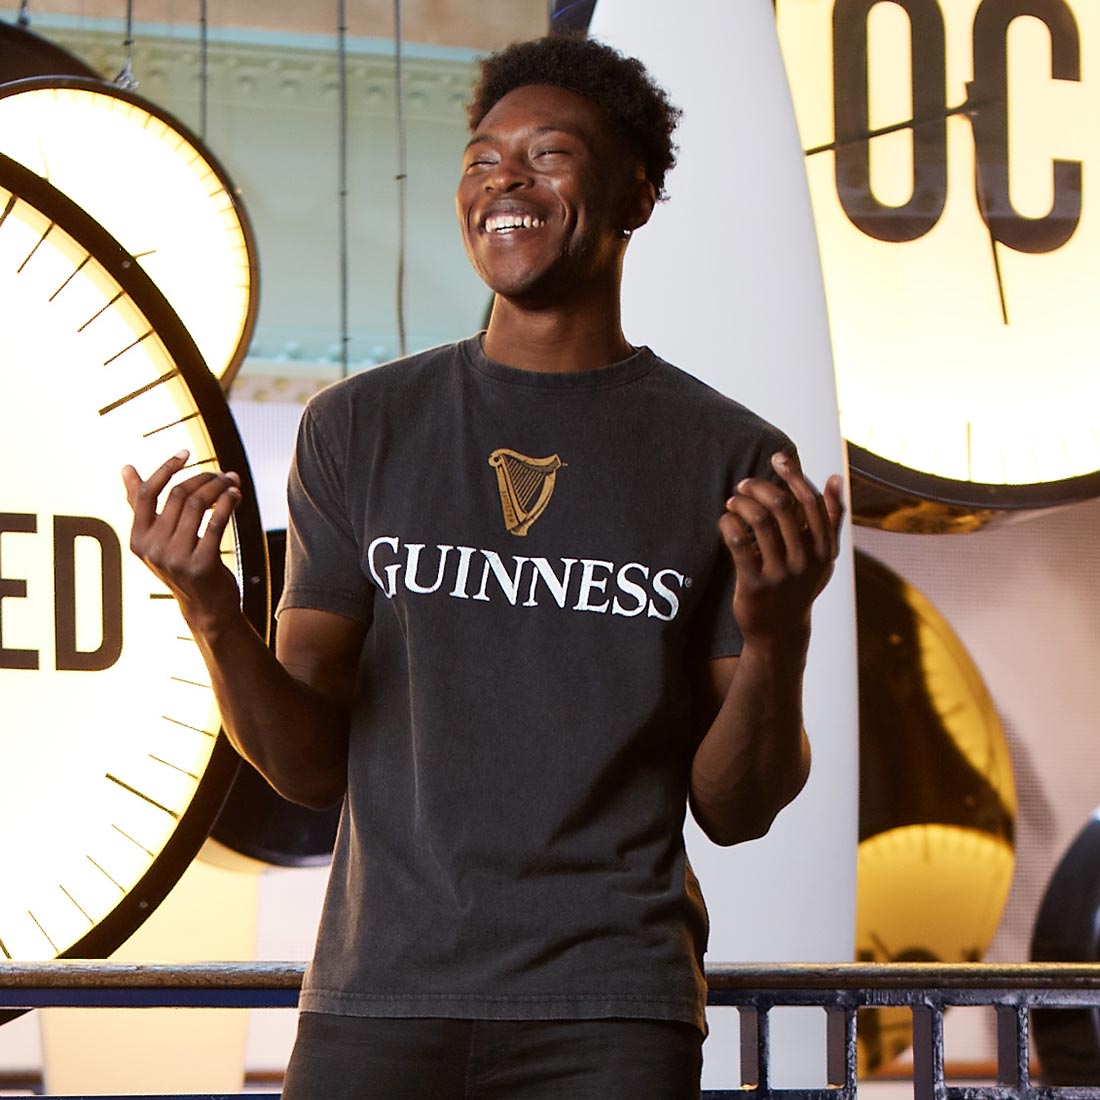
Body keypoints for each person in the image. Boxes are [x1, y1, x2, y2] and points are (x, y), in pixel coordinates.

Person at [123, 34, 843, 1100]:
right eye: (480, 157)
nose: (504, 177)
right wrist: (210, 611)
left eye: (548, 153)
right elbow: (310, 764)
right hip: (377, 997)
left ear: (636, 195)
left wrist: (779, 633)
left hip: (607, 1007)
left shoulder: (726, 455)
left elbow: (735, 805)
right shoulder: (358, 427)